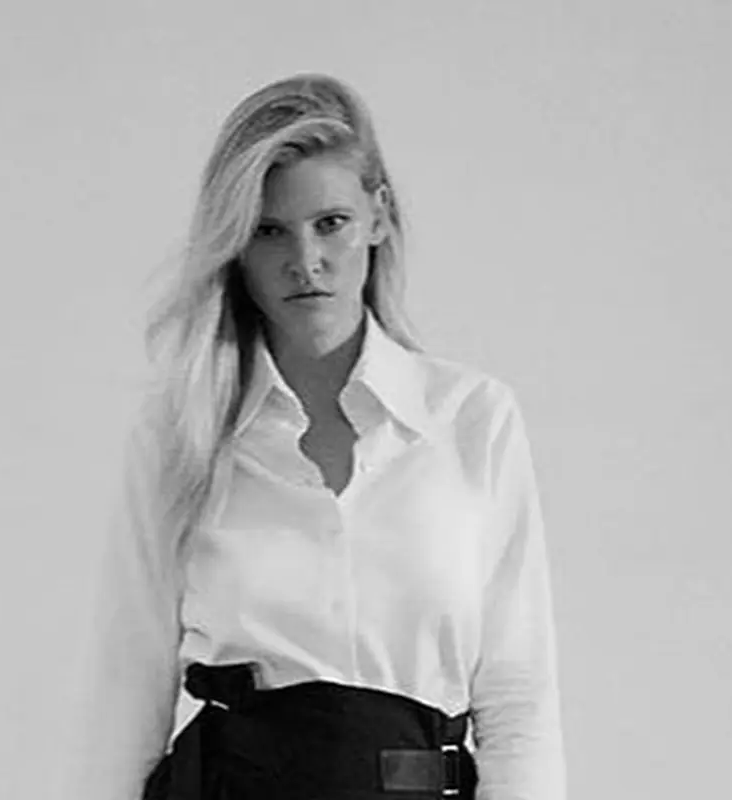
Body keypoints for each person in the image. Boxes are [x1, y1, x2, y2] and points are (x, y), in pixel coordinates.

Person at [71, 73, 567, 800]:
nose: (305, 261)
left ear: (378, 217)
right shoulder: (180, 436)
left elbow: (518, 698)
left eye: (330, 222)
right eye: (269, 231)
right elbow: (126, 692)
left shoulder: (471, 420)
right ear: (235, 247)